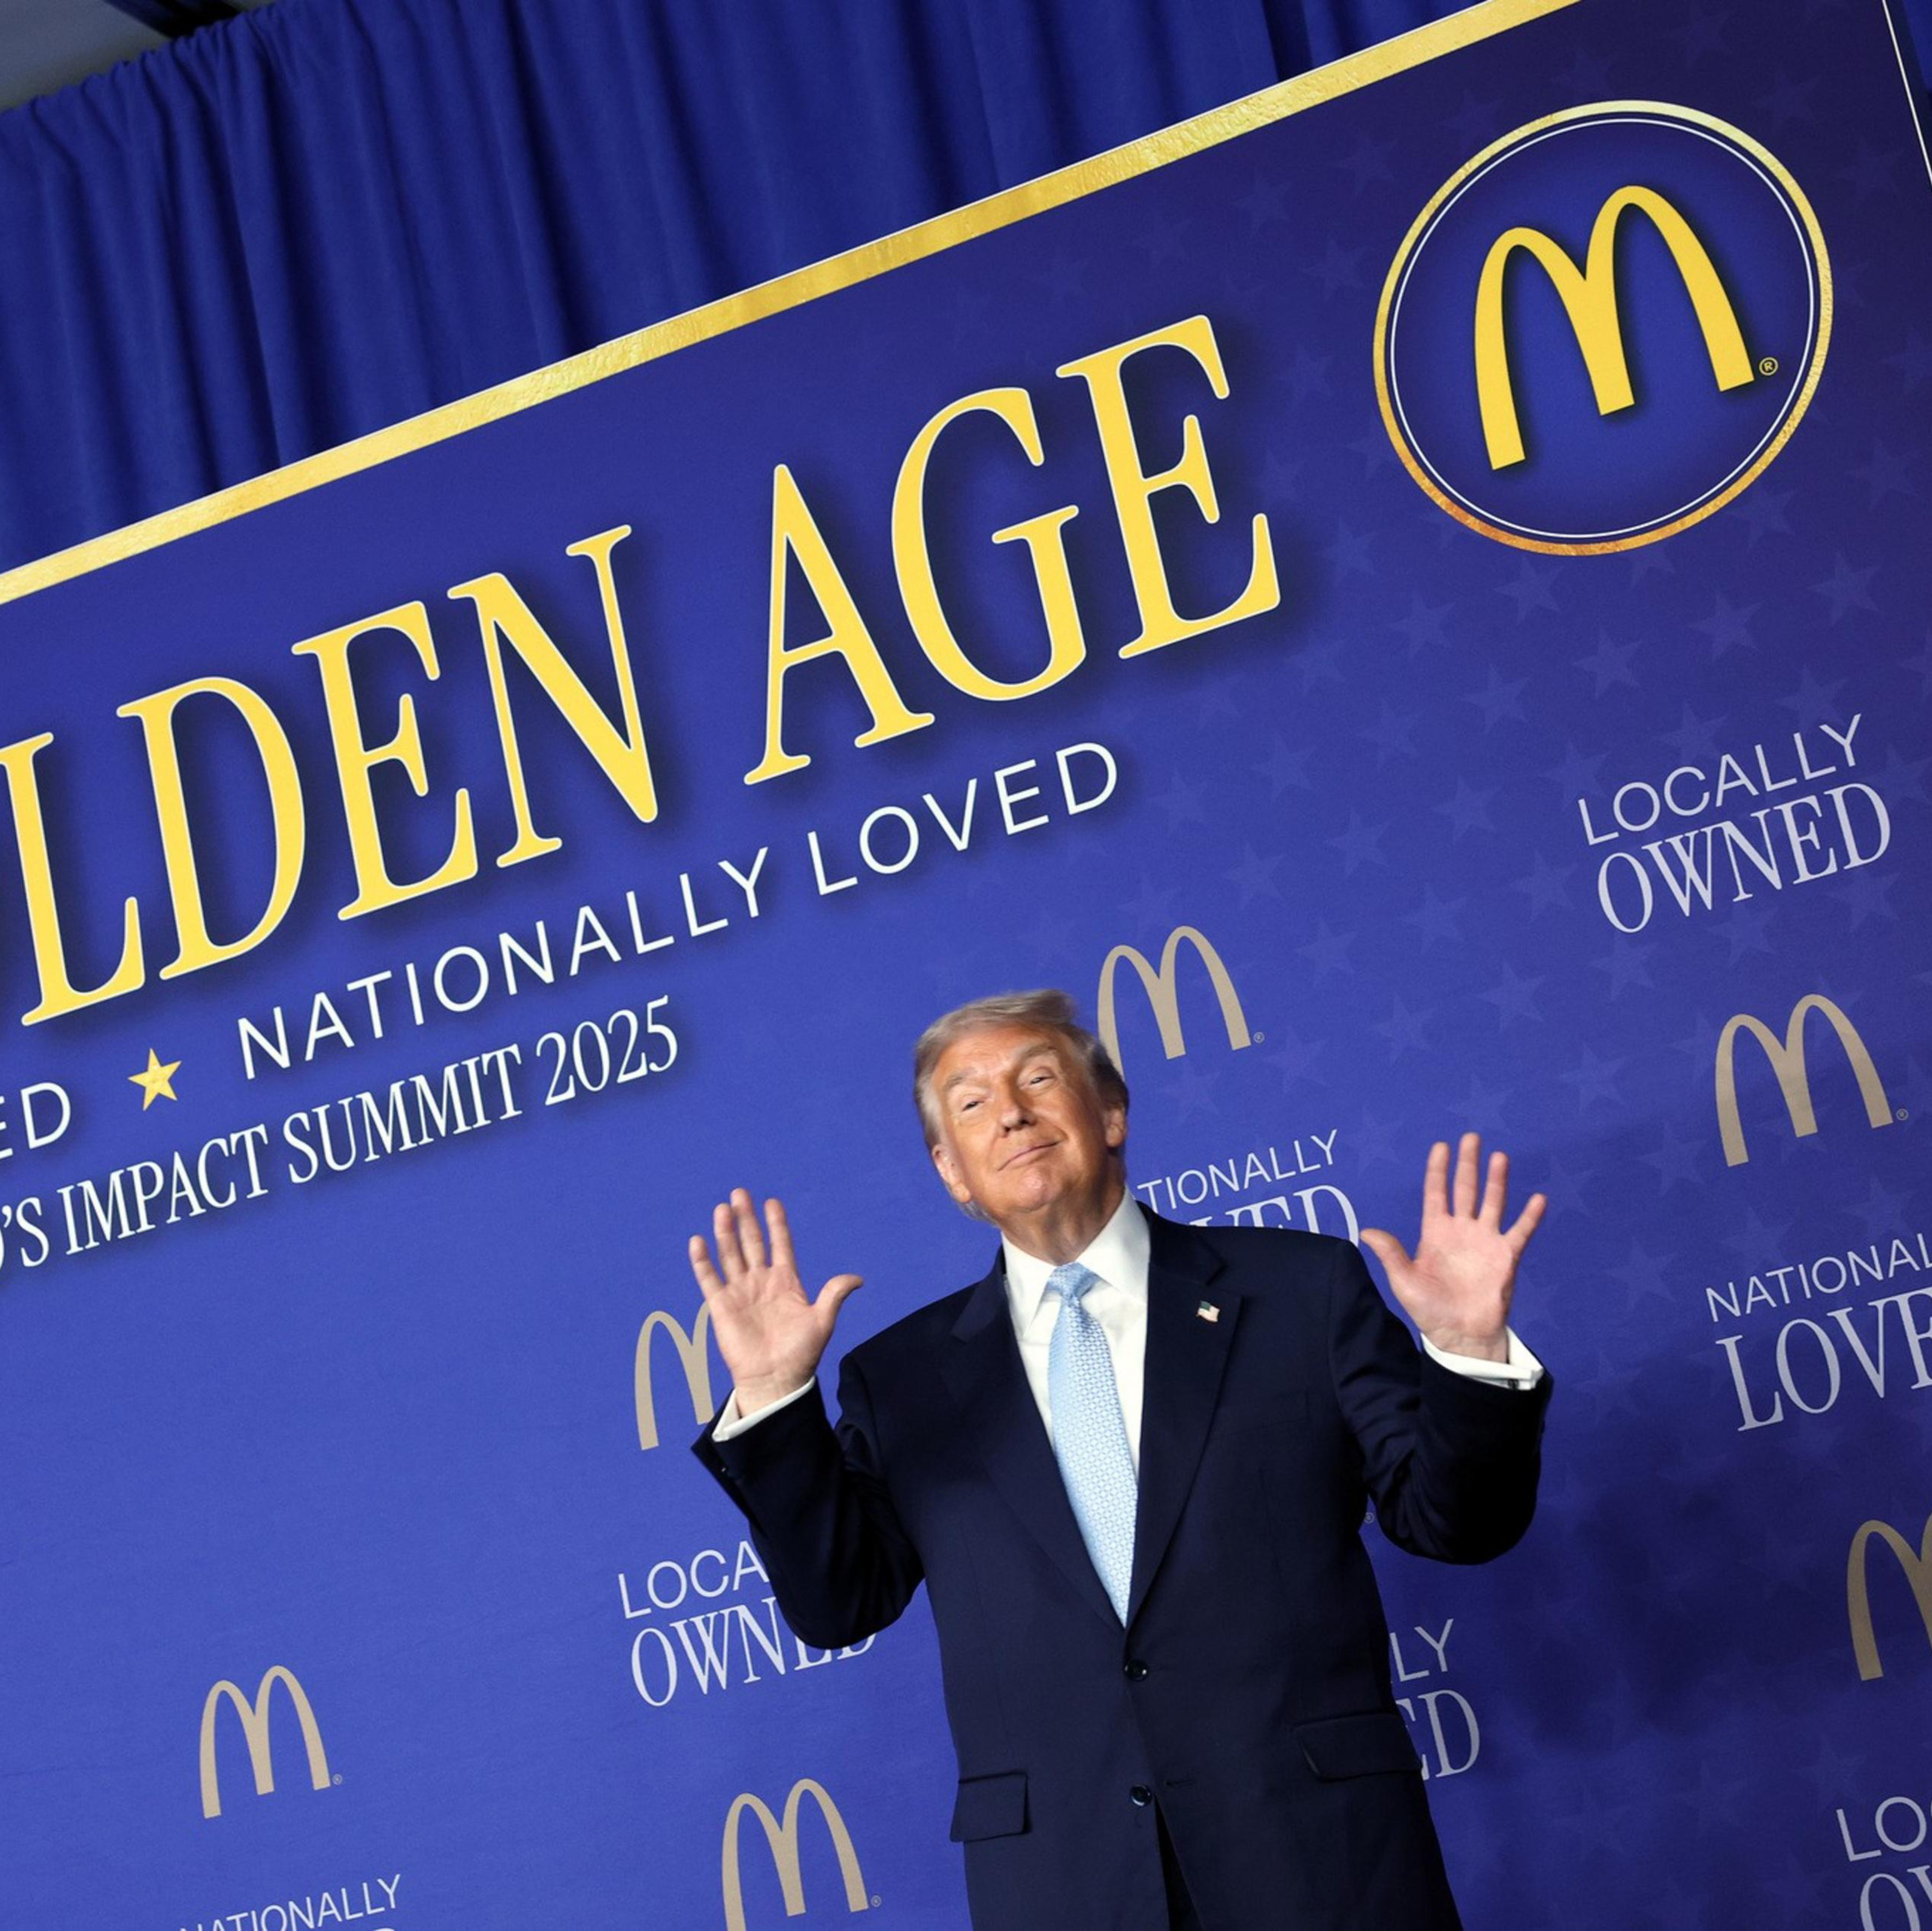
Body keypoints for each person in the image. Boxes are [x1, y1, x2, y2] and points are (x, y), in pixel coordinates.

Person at [688, 989, 1551, 1930]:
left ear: (1110, 1113)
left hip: (1323, 1860)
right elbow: (840, 1602)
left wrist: (1467, 1356)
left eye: (1038, 1078)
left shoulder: (1301, 1292)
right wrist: (775, 1402)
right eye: (971, 1104)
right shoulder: (901, 1382)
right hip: (1065, 1884)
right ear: (952, 1174)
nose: (1010, 1111)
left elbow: (1457, 1523)